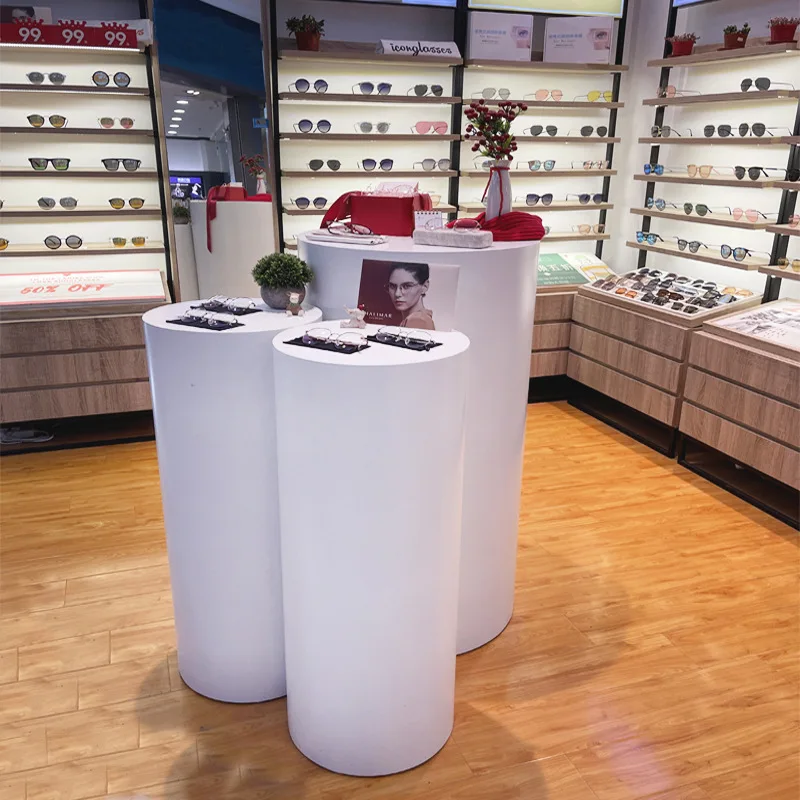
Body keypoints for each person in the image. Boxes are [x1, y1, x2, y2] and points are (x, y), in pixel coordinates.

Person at [386, 263, 434, 330]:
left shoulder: (417, 320)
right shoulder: (417, 319)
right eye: (392, 286)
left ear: (424, 286)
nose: (397, 294)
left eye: (406, 286)